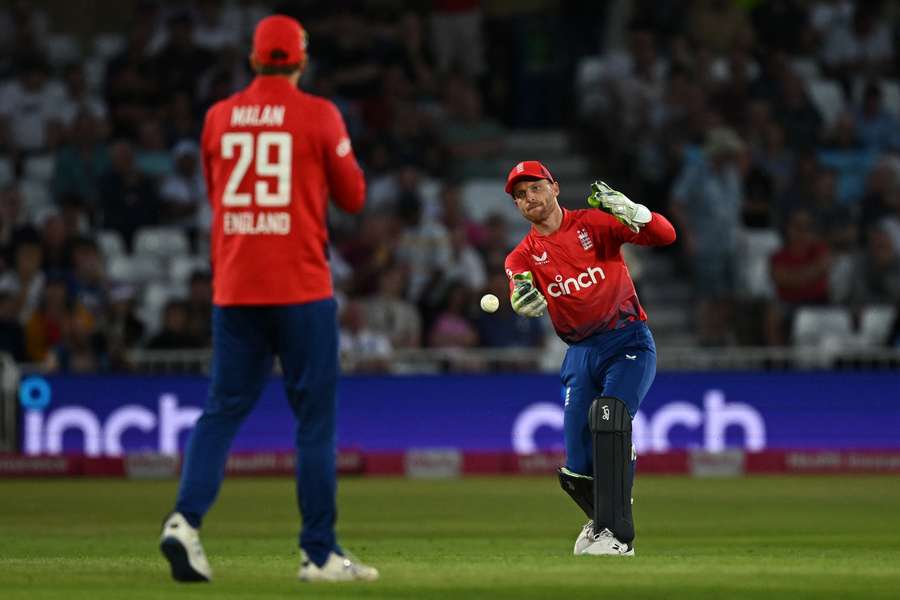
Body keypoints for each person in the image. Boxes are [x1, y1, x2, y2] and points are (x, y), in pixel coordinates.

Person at [159, 15, 378, 584]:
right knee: (314, 422)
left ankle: (184, 521)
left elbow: (216, 195)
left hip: (235, 288)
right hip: (301, 288)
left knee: (221, 409)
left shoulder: (217, 117)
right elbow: (353, 196)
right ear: (300, 61)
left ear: (253, 60)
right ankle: (318, 553)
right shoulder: (318, 114)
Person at [503, 161, 676, 556]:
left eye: (534, 188)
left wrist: (635, 211)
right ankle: (601, 523)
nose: (529, 198)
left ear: (555, 188)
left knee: (610, 415)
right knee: (575, 470)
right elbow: (518, 282)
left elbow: (665, 235)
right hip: (579, 354)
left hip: (627, 341)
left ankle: (619, 537)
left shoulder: (594, 224)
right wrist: (520, 297)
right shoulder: (522, 256)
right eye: (520, 195)